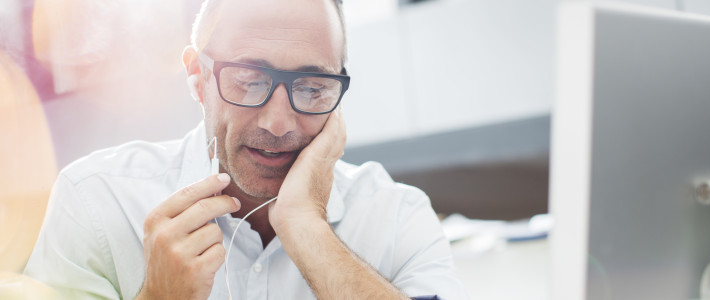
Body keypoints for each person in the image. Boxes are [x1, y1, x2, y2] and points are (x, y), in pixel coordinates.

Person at [24, 0, 467, 299]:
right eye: (249, 80)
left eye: (312, 87)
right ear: (197, 77)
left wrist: (307, 227)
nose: (278, 123)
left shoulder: (397, 216)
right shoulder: (96, 202)